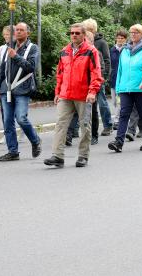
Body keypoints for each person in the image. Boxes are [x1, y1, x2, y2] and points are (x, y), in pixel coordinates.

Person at [44, 23, 102, 168]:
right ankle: (57, 156)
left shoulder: (91, 51)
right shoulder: (64, 51)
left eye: (77, 33)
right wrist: (57, 92)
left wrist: (92, 91)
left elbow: (96, 73)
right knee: (60, 124)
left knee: (85, 126)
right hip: (65, 94)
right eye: (72, 33)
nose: (74, 35)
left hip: (83, 94)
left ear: (83, 35)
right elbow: (60, 74)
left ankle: (83, 156)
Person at [0, 22, 41, 161]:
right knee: (7, 121)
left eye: (21, 30)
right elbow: (3, 69)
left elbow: (31, 67)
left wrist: (16, 56)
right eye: (17, 30)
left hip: (22, 89)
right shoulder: (9, 47)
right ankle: (13, 151)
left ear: (28, 33)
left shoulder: (32, 48)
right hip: (6, 89)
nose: (18, 32)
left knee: (21, 118)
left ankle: (35, 140)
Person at [105, 24, 142, 153]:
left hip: (141, 89)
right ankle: (119, 142)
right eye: (131, 32)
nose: (133, 34)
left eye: (136, 32)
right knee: (123, 114)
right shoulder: (125, 50)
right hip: (125, 88)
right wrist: (118, 88)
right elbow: (120, 70)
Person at [85, 18, 114, 137]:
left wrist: (104, 77)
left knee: (102, 103)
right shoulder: (84, 41)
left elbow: (107, 60)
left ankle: (108, 125)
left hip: (98, 78)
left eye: (85, 29)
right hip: (86, 79)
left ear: (91, 29)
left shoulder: (102, 43)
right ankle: (76, 129)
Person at [0, 25, 15, 144]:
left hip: (17, 84)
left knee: (19, 112)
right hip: (3, 85)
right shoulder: (1, 49)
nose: (6, 36)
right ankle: (8, 133)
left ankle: (20, 132)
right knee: (5, 111)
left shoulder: (19, 47)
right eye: (5, 34)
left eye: (8, 34)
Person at [109, 29, 128, 116]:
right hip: (114, 78)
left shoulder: (128, 50)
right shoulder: (112, 50)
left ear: (125, 39)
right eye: (118, 38)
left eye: (122, 38)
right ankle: (120, 117)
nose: (120, 40)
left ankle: (117, 120)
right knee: (114, 102)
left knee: (119, 100)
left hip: (124, 79)